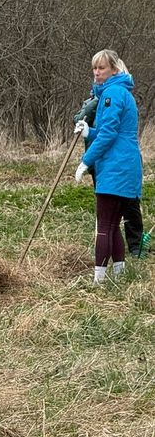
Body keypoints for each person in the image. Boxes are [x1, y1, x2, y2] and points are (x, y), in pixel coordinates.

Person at [74, 49, 143, 283]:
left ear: (114, 69)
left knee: (104, 225)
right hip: (125, 165)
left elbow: (109, 134)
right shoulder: (120, 92)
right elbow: (107, 131)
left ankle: (98, 282)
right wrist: (88, 132)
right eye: (94, 68)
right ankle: (119, 274)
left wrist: (86, 161)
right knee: (113, 224)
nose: (96, 72)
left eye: (101, 68)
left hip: (116, 166)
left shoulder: (111, 93)